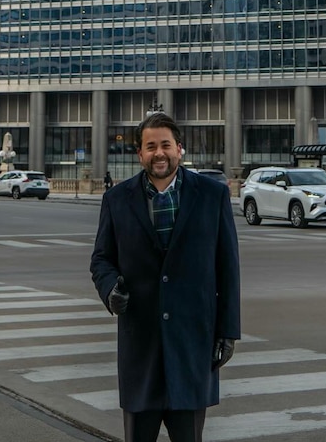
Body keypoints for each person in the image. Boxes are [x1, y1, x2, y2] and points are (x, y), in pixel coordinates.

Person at [90, 113, 240, 442]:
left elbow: (227, 268)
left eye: (166, 145)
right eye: (151, 146)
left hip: (192, 345)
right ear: (140, 154)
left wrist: (228, 332)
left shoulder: (212, 195)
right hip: (140, 347)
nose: (159, 153)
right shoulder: (117, 200)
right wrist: (110, 287)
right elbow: (101, 258)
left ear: (179, 149)